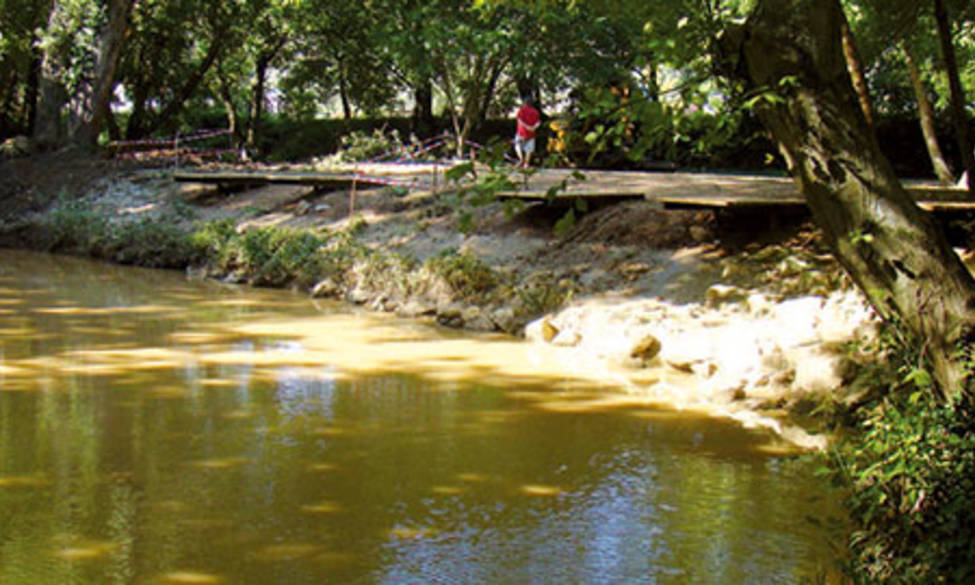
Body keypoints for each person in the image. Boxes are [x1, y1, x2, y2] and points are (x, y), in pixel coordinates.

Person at [514, 96, 541, 169]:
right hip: (531, 133)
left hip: (521, 133)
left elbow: (519, 120)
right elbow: (538, 122)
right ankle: (526, 163)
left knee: (517, 146)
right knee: (529, 149)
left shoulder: (521, 110)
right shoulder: (535, 112)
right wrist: (533, 128)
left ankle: (521, 159)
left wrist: (526, 127)